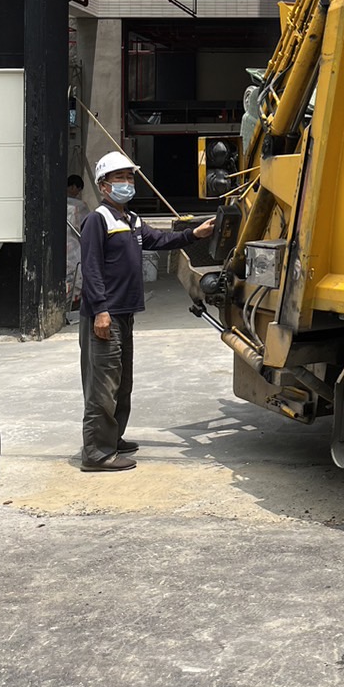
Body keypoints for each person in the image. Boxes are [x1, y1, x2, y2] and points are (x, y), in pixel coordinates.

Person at [78, 150, 214, 473]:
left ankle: (113, 438)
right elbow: (91, 268)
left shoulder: (132, 221)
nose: (126, 182)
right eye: (119, 178)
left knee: (122, 381)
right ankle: (97, 453)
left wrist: (193, 234)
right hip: (105, 314)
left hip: (125, 313)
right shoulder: (98, 220)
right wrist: (100, 310)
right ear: (104, 185)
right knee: (103, 385)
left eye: (129, 177)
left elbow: (160, 239)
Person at [66, 174, 90, 311]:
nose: (78, 192)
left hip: (62, 244)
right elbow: (85, 225)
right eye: (78, 189)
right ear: (73, 187)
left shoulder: (55, 202)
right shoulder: (78, 206)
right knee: (76, 274)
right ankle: (74, 303)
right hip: (73, 244)